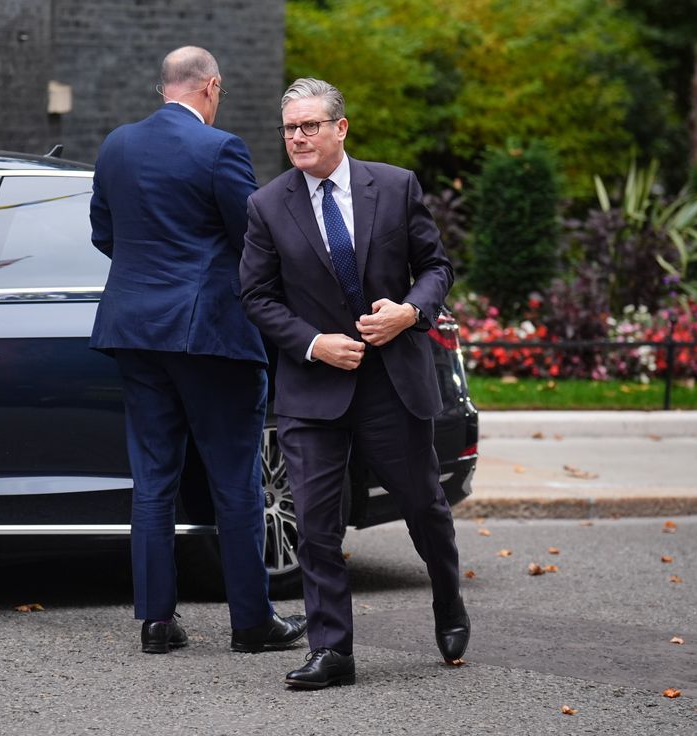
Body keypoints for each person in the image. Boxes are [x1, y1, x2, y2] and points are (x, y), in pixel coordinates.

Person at [239, 78, 470, 689]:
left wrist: (409, 313)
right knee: (315, 523)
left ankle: (447, 597)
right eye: (290, 127)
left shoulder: (394, 186)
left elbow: (437, 267)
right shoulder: (267, 206)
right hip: (313, 388)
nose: (298, 137)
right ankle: (332, 649)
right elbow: (256, 296)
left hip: (391, 382)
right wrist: (313, 343)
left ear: (341, 128)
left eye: (310, 125)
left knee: (424, 507)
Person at [89, 46, 306, 655]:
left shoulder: (117, 145)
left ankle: (157, 623)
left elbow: (104, 232)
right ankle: (252, 623)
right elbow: (255, 243)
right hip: (209, 334)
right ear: (212, 87)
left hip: (134, 332)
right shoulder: (220, 149)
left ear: (166, 89)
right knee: (235, 481)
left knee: (152, 480)